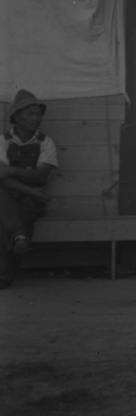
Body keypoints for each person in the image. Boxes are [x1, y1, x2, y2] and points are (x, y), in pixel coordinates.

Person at [0, 90, 59, 287]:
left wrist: (11, 171)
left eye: (38, 114)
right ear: (16, 117)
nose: (36, 118)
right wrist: (32, 190)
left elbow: (40, 175)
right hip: (22, 195)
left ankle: (4, 276)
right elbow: (0, 178)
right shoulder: (2, 141)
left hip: (31, 202)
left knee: (6, 219)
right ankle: (20, 237)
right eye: (30, 114)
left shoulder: (46, 142)